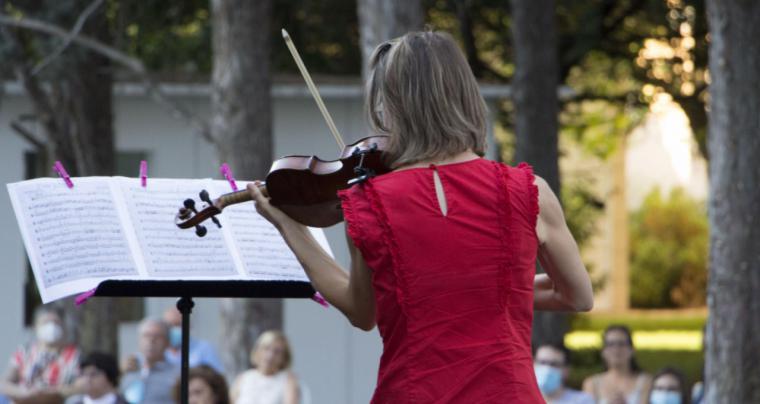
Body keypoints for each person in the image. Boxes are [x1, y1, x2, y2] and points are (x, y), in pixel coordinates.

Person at [248, 30, 593, 403]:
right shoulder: (529, 191)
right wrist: (492, 290)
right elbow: (577, 296)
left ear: (392, 107)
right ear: (465, 97)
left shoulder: (368, 203)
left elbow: (363, 312)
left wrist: (289, 226)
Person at [0, 306, 81, 404]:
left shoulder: (73, 354)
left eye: (56, 322)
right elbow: (4, 383)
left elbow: (78, 386)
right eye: (46, 322)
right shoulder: (25, 352)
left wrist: (46, 393)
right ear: (36, 326)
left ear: (63, 326)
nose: (51, 326)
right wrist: (24, 393)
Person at [582, 325, 652, 404]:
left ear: (632, 349)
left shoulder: (645, 381)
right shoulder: (592, 383)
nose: (616, 349)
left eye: (621, 343)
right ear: (603, 351)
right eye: (610, 344)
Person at [119, 317, 179, 404]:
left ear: (167, 342)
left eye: (157, 336)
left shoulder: (177, 374)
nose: (151, 340)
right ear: (139, 340)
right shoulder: (129, 369)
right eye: (146, 335)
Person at [230, 331, 299, 404]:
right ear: (257, 351)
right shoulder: (244, 378)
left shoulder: (287, 381)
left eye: (277, 352)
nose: (270, 356)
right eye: (266, 349)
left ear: (284, 358)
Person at [162, 307, 224, 373]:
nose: (174, 329)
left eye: (178, 324)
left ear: (189, 325)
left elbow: (216, 377)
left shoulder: (204, 349)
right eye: (169, 325)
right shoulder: (160, 352)